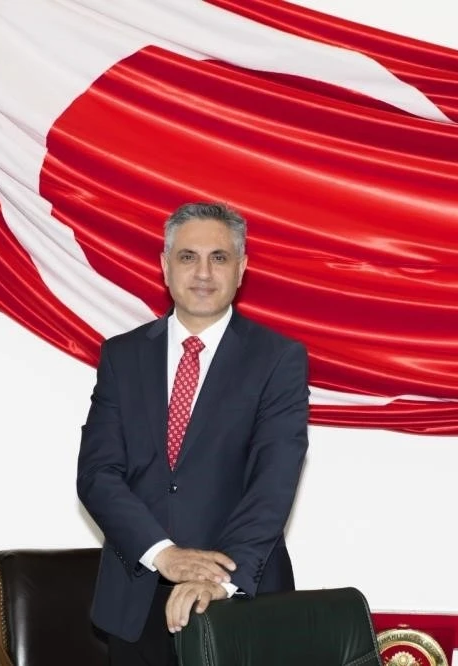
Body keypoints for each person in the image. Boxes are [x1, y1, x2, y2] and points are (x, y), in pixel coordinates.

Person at [76, 202, 310, 666]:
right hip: (136, 601)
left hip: (239, 601)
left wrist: (216, 578)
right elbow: (98, 474)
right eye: (188, 257)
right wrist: (164, 555)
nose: (203, 272)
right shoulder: (122, 356)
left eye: (219, 258)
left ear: (241, 268)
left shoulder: (278, 359)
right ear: (165, 265)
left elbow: (273, 483)